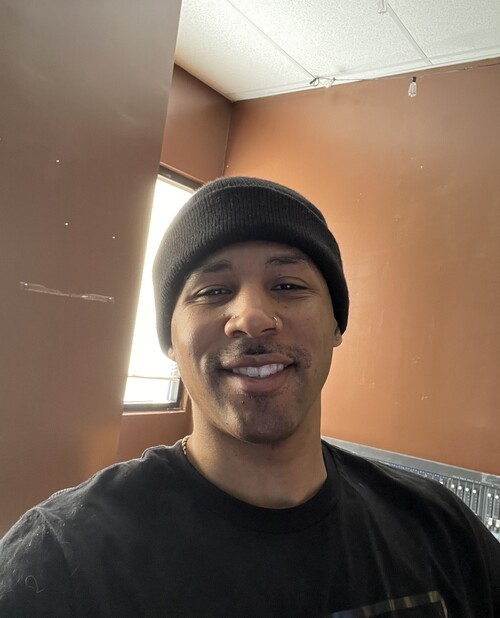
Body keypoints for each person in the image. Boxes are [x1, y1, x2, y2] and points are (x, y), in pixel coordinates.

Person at [0, 176, 498, 617]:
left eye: (288, 285)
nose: (253, 317)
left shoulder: (441, 531)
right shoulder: (59, 560)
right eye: (213, 291)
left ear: (336, 323)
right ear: (170, 338)